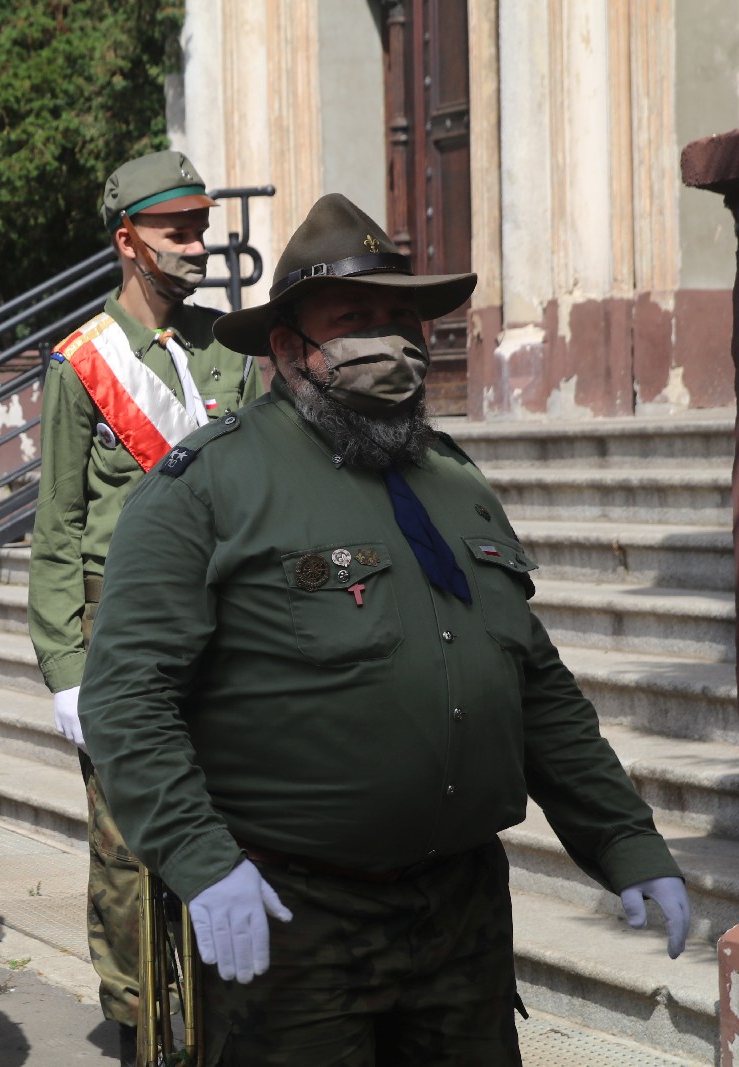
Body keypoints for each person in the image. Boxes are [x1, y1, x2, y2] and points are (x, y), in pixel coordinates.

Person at [79, 193, 690, 1065]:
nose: (391, 340)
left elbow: (537, 687)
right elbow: (128, 697)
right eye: (356, 318)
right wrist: (201, 860)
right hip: (293, 919)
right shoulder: (209, 487)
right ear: (289, 347)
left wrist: (625, 840)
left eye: (402, 317)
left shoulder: (453, 477)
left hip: (462, 915)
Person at [26, 149, 262, 1063]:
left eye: (202, 225)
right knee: (128, 846)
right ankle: (136, 1021)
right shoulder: (82, 365)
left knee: (226, 824)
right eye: (179, 229)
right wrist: (64, 669)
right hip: (117, 631)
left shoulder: (226, 347)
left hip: (225, 631)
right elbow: (56, 530)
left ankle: (222, 1011)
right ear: (129, 241)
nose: (199, 243)